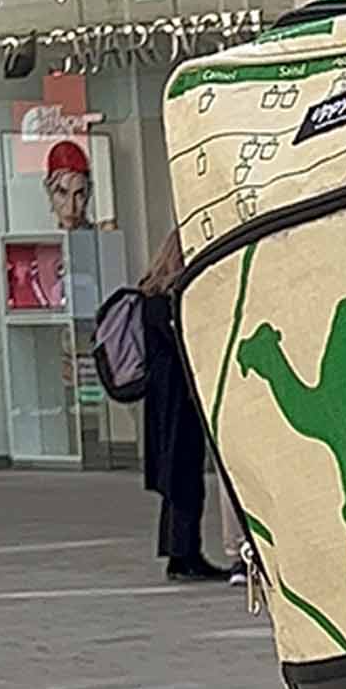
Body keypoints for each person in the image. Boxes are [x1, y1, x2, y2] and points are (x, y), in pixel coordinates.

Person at [139, 229, 235, 584]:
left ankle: (179, 552)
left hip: (163, 400)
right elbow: (183, 343)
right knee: (184, 477)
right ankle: (184, 554)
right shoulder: (171, 299)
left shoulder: (150, 293)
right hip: (180, 398)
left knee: (176, 479)